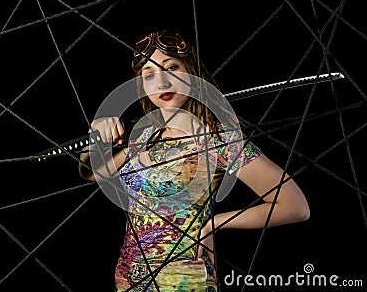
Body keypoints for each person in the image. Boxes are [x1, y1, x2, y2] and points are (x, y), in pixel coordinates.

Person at [78, 30, 310, 292]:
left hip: (184, 282)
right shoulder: (142, 136)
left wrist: (215, 223)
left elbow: (295, 206)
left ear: (190, 72)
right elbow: (91, 172)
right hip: (128, 279)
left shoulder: (217, 140)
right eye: (149, 75)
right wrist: (98, 136)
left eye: (172, 67)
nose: (162, 82)